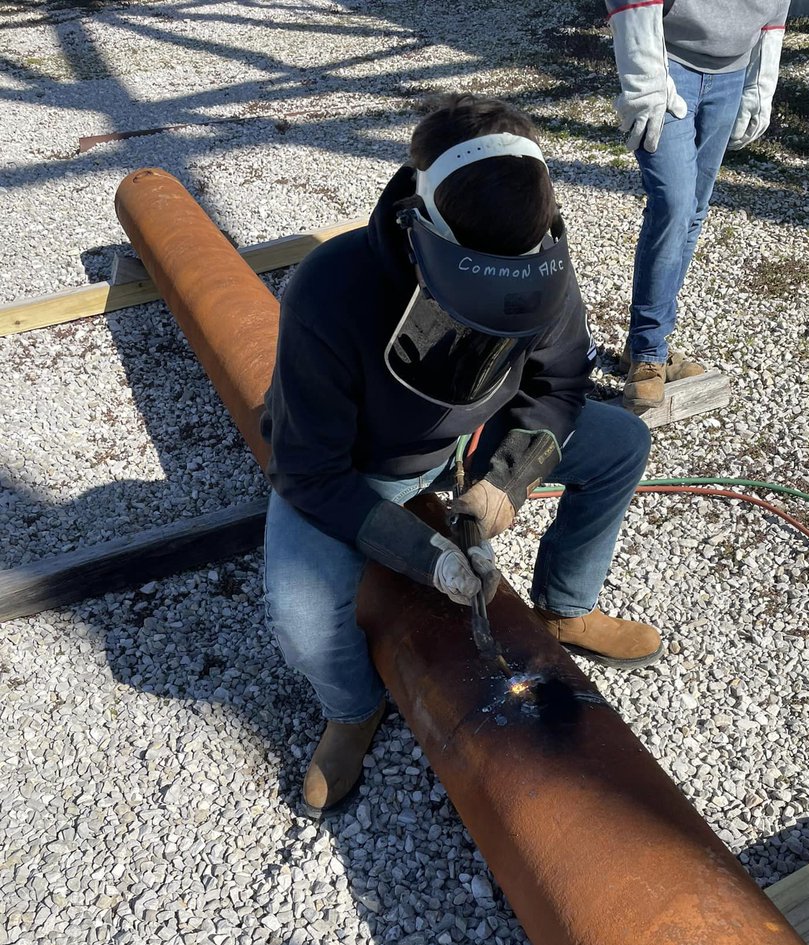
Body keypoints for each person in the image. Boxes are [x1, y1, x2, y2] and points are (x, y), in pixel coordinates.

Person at [261, 94, 660, 820]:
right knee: (297, 614)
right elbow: (307, 470)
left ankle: (565, 608)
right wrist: (427, 554)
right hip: (360, 468)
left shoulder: (539, 261)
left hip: (475, 441)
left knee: (622, 443)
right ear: (418, 226)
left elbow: (560, 382)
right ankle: (352, 710)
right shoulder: (330, 290)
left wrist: (508, 478)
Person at [605, 0, 789, 406]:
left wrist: (760, 82)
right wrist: (645, 74)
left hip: (733, 72)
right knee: (672, 204)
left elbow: (776, 8)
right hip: (668, 62)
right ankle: (650, 355)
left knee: (692, 211)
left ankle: (646, 344)